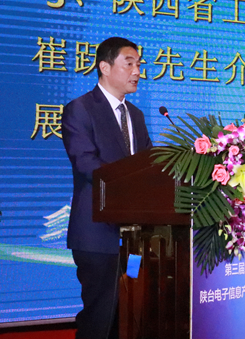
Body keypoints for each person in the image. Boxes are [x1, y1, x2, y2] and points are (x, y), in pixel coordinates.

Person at [62, 37, 152, 339]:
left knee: (130, 309)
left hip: (134, 238)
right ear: (104, 67)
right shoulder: (80, 109)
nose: (137, 71)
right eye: (129, 63)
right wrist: (130, 184)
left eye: (138, 64)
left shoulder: (135, 115)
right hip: (97, 235)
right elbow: (85, 162)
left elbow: (147, 164)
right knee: (101, 314)